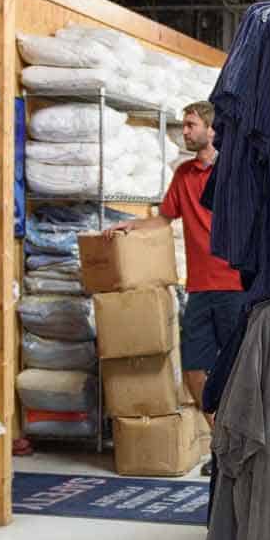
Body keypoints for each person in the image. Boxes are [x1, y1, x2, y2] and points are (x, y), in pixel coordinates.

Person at [106, 101, 243, 410]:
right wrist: (133, 225)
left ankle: (234, 442)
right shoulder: (183, 173)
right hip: (198, 288)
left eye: (191, 125)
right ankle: (217, 438)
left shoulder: (234, 171)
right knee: (194, 368)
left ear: (211, 130)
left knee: (237, 368)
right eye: (184, 125)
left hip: (233, 285)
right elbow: (164, 218)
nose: (185, 132)